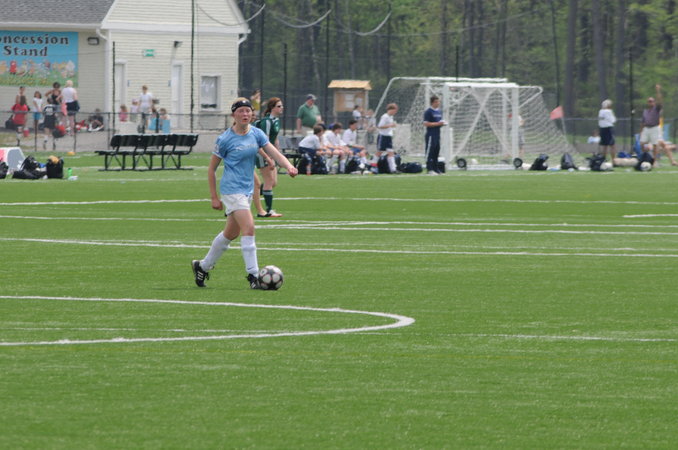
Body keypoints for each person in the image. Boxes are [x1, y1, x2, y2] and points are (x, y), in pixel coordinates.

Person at [191, 98, 298, 289]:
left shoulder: (256, 133)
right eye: (240, 111)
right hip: (232, 190)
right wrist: (214, 197)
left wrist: (289, 166)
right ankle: (254, 276)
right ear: (234, 115)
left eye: (248, 111)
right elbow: (211, 169)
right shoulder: (225, 139)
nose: (245, 114)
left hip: (247, 189)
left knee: (230, 234)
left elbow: (274, 152)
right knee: (249, 228)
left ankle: (203, 266)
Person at [254, 97, 284, 217]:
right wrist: (268, 156)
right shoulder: (266, 121)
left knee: (273, 182)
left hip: (271, 154)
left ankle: (251, 193)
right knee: (268, 181)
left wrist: (278, 154)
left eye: (281, 106)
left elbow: (275, 139)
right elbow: (264, 141)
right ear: (272, 108)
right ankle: (268, 210)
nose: (281, 108)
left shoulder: (276, 120)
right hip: (262, 153)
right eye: (279, 106)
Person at [371, 103, 399, 174]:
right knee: (379, 152)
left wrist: (392, 128)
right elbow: (380, 126)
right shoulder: (385, 116)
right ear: (391, 109)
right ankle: (373, 166)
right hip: (383, 136)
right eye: (395, 110)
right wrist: (390, 125)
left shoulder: (391, 117)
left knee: (391, 152)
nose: (395, 112)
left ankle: (393, 169)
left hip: (388, 137)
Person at [639, 84, 663, 166]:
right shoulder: (645, 111)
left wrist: (658, 91)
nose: (650, 102)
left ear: (654, 102)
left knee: (655, 144)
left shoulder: (656, 109)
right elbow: (642, 122)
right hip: (646, 128)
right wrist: (641, 131)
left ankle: (654, 161)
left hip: (654, 128)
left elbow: (660, 101)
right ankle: (645, 157)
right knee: (642, 143)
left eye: (652, 101)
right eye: (649, 101)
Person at [423, 95, 446, 175]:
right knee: (430, 151)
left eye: (438, 101)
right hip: (430, 134)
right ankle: (429, 169)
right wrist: (437, 124)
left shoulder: (439, 111)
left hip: (437, 134)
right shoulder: (428, 112)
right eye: (436, 102)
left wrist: (442, 124)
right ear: (432, 103)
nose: (438, 103)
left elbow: (439, 122)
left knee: (436, 151)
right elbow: (426, 123)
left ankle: (436, 168)